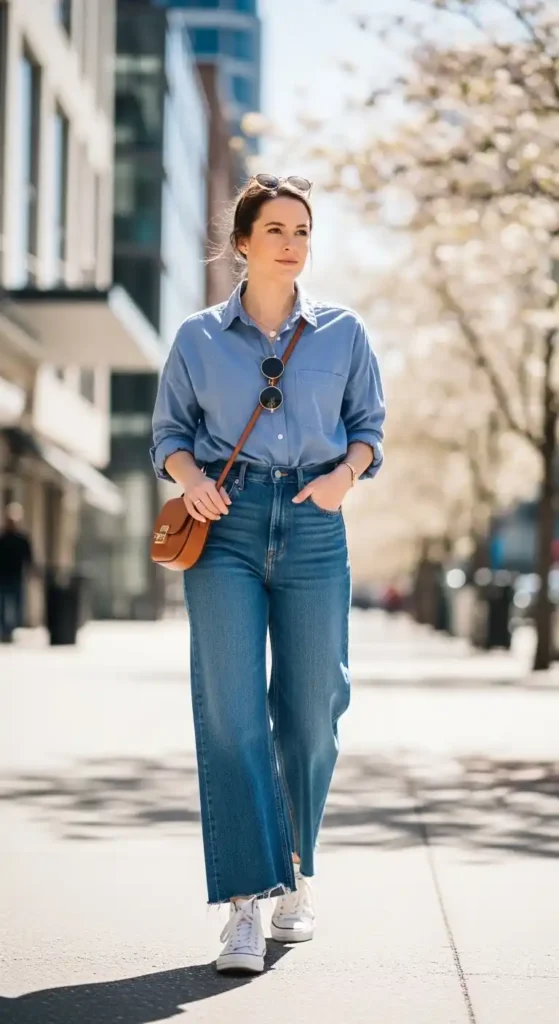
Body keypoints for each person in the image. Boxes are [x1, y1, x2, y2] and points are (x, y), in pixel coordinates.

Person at [151, 173, 385, 974]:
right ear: (241, 243)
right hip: (227, 526)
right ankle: (246, 906)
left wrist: (345, 475)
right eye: (276, 229)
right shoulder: (196, 339)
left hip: (316, 524)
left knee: (313, 708)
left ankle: (297, 876)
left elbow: (368, 429)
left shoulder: (343, 333)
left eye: (303, 230)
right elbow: (167, 435)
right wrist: (190, 479)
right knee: (232, 716)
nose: (292, 242)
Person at [0, 503, 32, 643]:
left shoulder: (22, 539)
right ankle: (5, 630)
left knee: (17, 604)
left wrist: (32, 573)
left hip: (17, 576)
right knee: (2, 605)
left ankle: (11, 629)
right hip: (3, 576)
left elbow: (29, 558)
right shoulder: (2, 539)